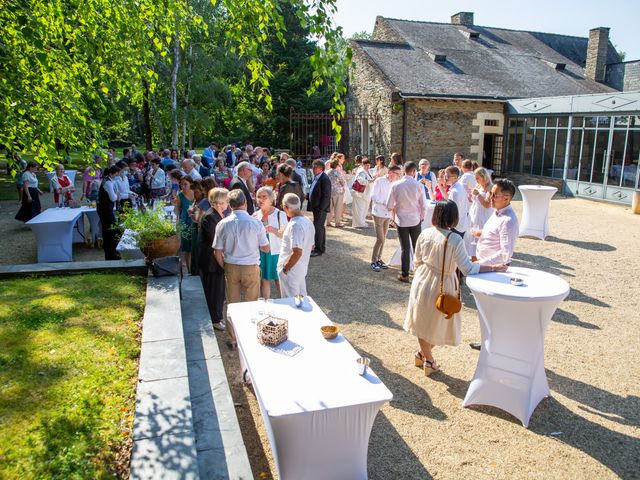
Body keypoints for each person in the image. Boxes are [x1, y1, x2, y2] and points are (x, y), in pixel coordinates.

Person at [404, 199, 507, 375]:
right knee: (439, 323)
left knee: (422, 322)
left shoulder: (425, 233)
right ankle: (428, 360)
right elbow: (468, 268)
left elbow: (417, 261)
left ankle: (423, 355)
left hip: (422, 279)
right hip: (443, 283)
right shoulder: (454, 239)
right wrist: (493, 267)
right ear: (454, 217)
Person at [468, 178, 518, 351]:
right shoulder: (496, 213)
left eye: (494, 195)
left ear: (506, 198)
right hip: (486, 269)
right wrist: (480, 233)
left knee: (493, 309)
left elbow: (506, 253)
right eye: (490, 193)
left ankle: (494, 343)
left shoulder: (508, 220)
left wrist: (481, 264)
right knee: (486, 309)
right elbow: (494, 235)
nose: (490, 197)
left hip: (493, 271)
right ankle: (488, 340)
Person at [213, 189, 269, 310]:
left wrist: (225, 266)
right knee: (252, 306)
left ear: (229, 204)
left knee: (232, 306)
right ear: (245, 202)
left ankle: (232, 329)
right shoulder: (256, 223)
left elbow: (217, 251)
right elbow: (266, 248)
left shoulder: (222, 224)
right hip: (250, 266)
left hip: (231, 266)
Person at [386, 161, 426, 283]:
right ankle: (419, 272)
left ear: (404, 171)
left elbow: (389, 205)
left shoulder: (395, 185)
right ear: (414, 172)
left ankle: (405, 274)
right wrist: (422, 217)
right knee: (417, 247)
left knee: (405, 248)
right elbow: (423, 205)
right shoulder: (419, 185)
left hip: (401, 219)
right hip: (415, 219)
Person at [198, 188, 228, 331]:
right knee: (214, 290)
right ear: (218, 202)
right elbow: (215, 239)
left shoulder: (218, 214)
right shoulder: (210, 216)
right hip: (211, 260)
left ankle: (218, 316)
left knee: (219, 290)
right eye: (226, 201)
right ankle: (215, 319)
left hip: (216, 258)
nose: (227, 203)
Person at [278, 193, 316, 297]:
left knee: (291, 302)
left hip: (292, 270)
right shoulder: (307, 220)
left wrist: (285, 268)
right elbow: (311, 245)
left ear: (286, 207)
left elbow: (297, 251)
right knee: (301, 299)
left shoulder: (295, 225)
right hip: (301, 268)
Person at [253, 186, 287, 299]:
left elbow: (285, 235)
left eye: (264, 197)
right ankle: (266, 303)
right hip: (261, 251)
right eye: (258, 197)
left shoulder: (280, 214)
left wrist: (274, 230)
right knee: (264, 279)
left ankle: (285, 301)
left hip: (276, 252)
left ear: (271, 199)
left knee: (279, 280)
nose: (261, 199)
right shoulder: (255, 215)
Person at [370, 165, 401, 272]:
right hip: (378, 213)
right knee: (380, 239)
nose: (398, 176)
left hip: (387, 214)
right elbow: (373, 196)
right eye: (397, 173)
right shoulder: (379, 181)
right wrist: (386, 203)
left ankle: (378, 259)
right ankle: (373, 261)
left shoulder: (394, 184)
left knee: (384, 239)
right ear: (391, 172)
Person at [307, 159, 331, 257]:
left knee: (318, 228)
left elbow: (326, 195)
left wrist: (321, 208)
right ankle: (321, 247)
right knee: (319, 228)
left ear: (320, 168)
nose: (313, 168)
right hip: (316, 207)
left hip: (320, 208)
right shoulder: (317, 177)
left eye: (315, 167)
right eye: (313, 166)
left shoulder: (324, 178)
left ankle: (318, 249)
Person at [468, 167, 494, 257]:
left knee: (482, 237)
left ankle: (482, 260)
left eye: (477, 178)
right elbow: (473, 200)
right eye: (475, 178)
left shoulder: (490, 188)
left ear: (484, 177)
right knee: (472, 238)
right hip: (474, 214)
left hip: (483, 215)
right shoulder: (478, 186)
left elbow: (487, 205)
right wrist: (470, 196)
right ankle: (473, 258)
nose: (476, 180)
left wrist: (478, 194)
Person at [96, 165, 121, 260]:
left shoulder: (108, 180)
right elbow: (113, 198)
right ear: (111, 173)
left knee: (109, 230)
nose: (117, 175)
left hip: (106, 209)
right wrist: (117, 195)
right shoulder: (108, 183)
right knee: (111, 230)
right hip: (105, 209)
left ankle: (111, 253)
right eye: (116, 173)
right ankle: (111, 253)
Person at [445, 166, 470, 245]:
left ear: (455, 177)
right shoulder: (459, 186)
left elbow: (453, 211)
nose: (445, 178)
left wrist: (448, 225)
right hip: (461, 223)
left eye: (447, 176)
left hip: (456, 225)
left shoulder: (455, 191)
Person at [176, 176, 195, 274]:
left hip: (195, 222)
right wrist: (178, 226)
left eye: (185, 184)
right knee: (187, 250)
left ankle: (195, 269)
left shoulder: (195, 193)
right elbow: (177, 210)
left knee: (195, 248)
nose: (183, 186)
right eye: (181, 184)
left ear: (190, 184)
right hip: (185, 223)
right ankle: (189, 270)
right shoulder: (180, 195)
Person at [351, 157, 374, 228]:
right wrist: (371, 181)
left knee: (364, 209)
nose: (368, 166)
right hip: (360, 193)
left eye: (368, 165)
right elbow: (361, 181)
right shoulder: (361, 171)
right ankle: (358, 224)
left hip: (366, 193)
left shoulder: (368, 171)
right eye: (366, 165)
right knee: (359, 209)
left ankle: (362, 222)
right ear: (362, 164)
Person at [326, 157, 346, 228]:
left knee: (329, 207)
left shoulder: (327, 172)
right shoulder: (337, 172)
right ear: (337, 165)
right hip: (337, 192)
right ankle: (337, 222)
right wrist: (344, 187)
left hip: (329, 191)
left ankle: (328, 221)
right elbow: (342, 181)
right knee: (338, 207)